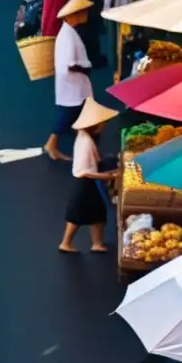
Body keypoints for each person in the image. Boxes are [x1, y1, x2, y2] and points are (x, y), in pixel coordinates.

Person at [59, 97, 118, 253]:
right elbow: (87, 172)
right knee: (76, 214)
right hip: (84, 183)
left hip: (86, 181)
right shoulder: (86, 143)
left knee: (97, 213)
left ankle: (96, 243)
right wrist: (111, 177)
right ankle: (66, 243)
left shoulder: (84, 137)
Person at [44, 0, 94, 162]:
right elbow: (69, 65)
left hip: (75, 84)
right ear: (75, 14)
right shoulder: (67, 35)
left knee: (75, 112)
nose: (86, 14)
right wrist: (85, 68)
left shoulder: (70, 32)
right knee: (68, 114)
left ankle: (82, 142)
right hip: (73, 84)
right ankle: (52, 144)